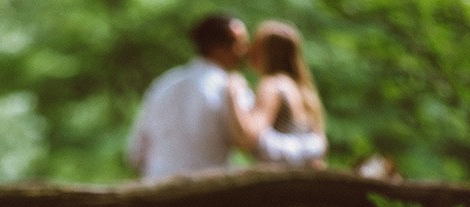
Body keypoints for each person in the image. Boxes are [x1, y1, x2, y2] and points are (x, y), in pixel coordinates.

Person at [127, 15, 325, 180]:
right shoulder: (230, 88)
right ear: (220, 47)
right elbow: (249, 140)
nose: (247, 51)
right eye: (242, 43)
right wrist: (312, 148)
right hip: (207, 194)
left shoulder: (164, 82)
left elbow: (136, 153)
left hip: (156, 187)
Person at [227, 20, 327, 167]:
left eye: (256, 45)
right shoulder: (303, 90)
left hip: (278, 183)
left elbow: (248, 138)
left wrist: (233, 94)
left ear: (267, 52)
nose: (249, 51)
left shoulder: (272, 85)